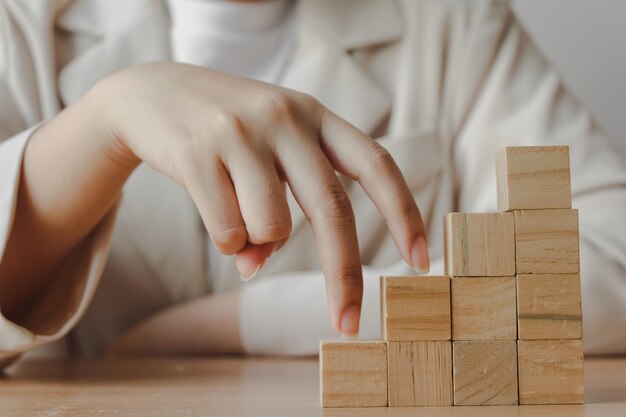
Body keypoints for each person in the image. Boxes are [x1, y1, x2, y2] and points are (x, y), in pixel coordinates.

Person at [1, 0, 625, 366]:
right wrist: (107, 121)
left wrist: (249, 322)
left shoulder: (454, 23)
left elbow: (609, 261)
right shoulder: (20, 27)